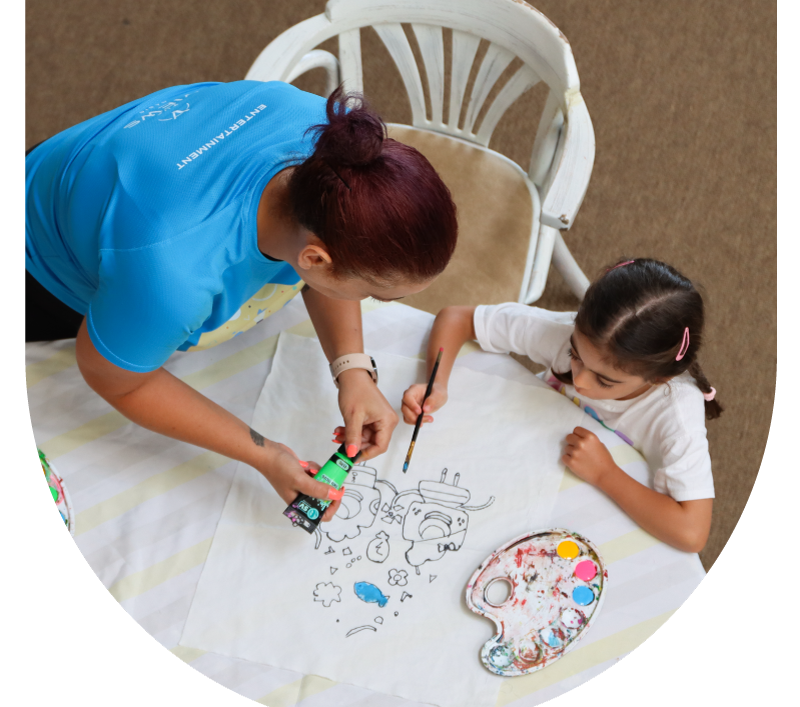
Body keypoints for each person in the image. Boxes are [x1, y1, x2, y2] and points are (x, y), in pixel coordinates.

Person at [25, 82, 458, 521]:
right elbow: (116, 377)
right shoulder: (173, 276)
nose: (371, 301)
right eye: (373, 293)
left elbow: (332, 257)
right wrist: (265, 455)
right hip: (41, 257)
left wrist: (353, 370)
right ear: (314, 259)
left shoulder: (335, 142)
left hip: (91, 168)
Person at [400, 258, 720, 552]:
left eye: (604, 381)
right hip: (526, 456)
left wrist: (605, 474)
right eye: (574, 356)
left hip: (596, 498)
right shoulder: (568, 333)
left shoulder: (676, 413)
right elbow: (457, 318)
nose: (580, 381)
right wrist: (436, 382)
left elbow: (691, 533)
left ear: (659, 378)